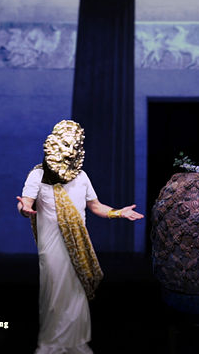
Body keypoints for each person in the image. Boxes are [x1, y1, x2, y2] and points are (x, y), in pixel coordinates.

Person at [16, 120, 143, 354]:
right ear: (54, 144)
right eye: (66, 144)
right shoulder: (38, 176)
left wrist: (119, 212)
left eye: (75, 145)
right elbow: (27, 204)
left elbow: (96, 207)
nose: (71, 150)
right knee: (55, 291)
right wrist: (24, 209)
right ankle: (51, 344)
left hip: (78, 243)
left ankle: (75, 343)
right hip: (52, 245)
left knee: (77, 292)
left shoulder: (81, 177)